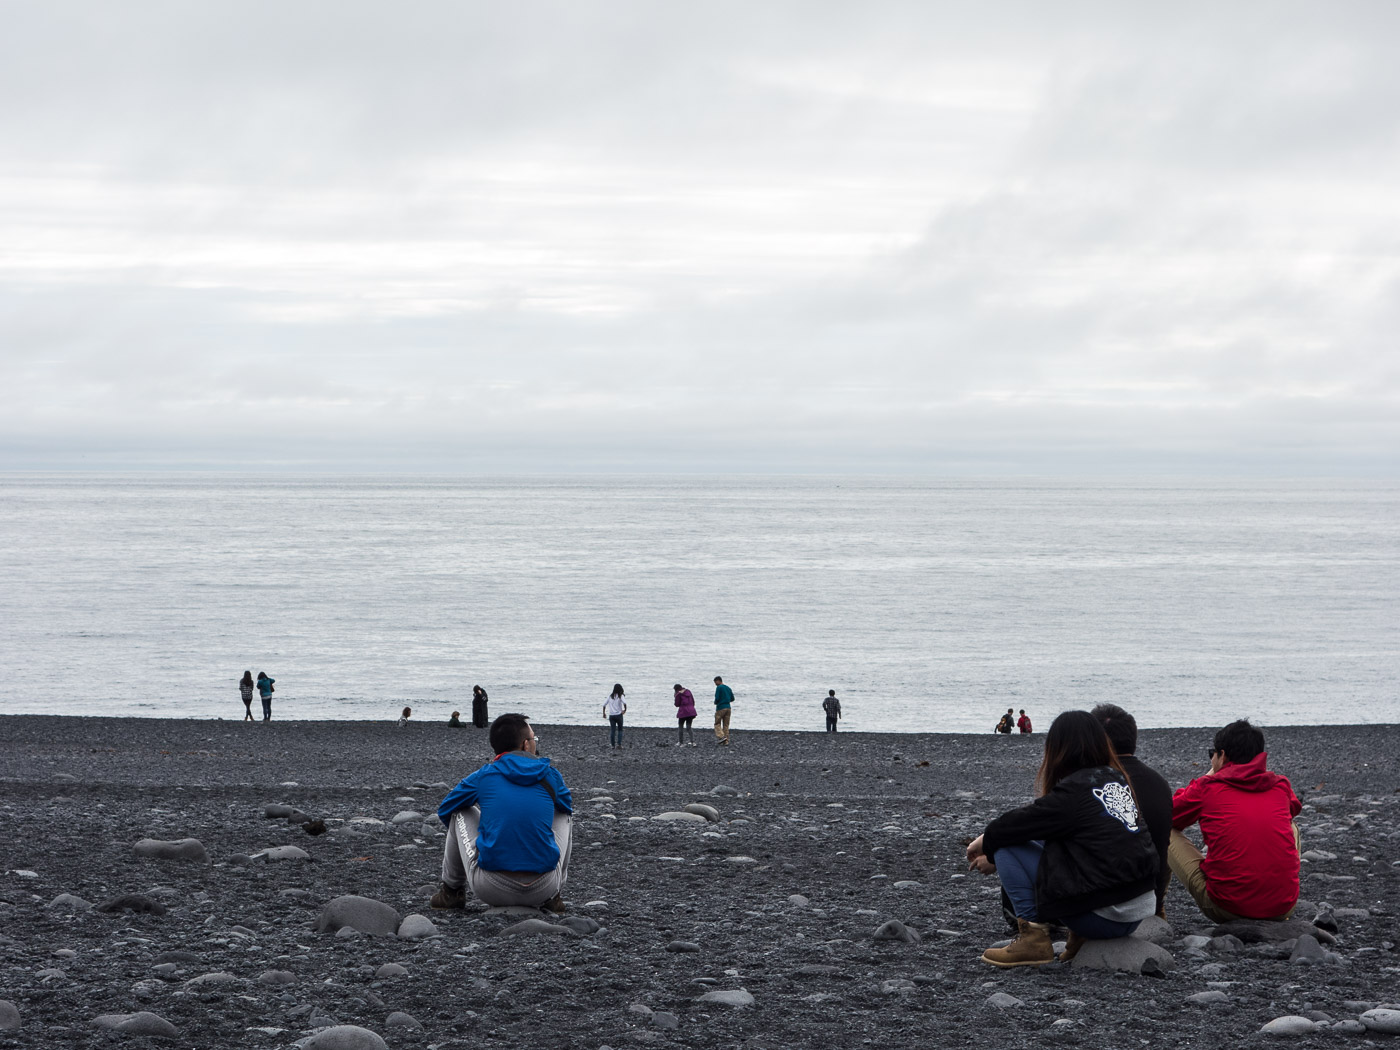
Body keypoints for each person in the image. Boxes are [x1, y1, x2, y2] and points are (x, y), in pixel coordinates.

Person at [965, 710, 1159, 967]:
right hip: (1136, 913)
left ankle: (1033, 938)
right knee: (1046, 839)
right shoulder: (1115, 779)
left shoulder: (1074, 792)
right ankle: (1078, 937)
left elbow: (1011, 827)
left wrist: (985, 842)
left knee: (1007, 845)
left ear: (1058, 749)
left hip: (1105, 918)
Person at [431, 713, 573, 913]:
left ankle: (451, 892)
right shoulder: (550, 775)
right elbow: (566, 807)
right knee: (563, 813)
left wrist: (486, 834)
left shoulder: (485, 775)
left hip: (490, 887)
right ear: (525, 745)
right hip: (544, 887)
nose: (535, 743)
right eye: (534, 739)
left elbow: (446, 808)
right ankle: (555, 897)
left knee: (460, 811)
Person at [1169, 719, 1301, 923]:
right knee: (1290, 824)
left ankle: (1156, 909)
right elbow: (1293, 808)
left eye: (1212, 753)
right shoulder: (1280, 785)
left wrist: (1209, 775)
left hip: (1227, 908)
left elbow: (1169, 814)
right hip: (1283, 908)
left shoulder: (1208, 787)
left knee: (1164, 830)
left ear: (1222, 755)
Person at [1091, 703, 1172, 917]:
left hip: (1103, 907)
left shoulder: (1092, 783)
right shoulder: (1159, 783)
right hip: (1149, 900)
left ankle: (1033, 928)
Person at [713, 676, 735, 745]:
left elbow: (717, 698)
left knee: (717, 723)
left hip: (721, 707)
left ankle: (721, 736)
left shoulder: (719, 687)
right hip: (728, 707)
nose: (715, 684)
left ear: (718, 681)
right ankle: (726, 741)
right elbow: (732, 698)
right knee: (726, 725)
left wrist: (716, 702)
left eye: (715, 682)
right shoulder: (728, 688)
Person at [604, 684, 627, 749]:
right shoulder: (620, 696)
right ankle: (619, 744)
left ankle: (613, 745)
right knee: (620, 730)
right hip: (619, 715)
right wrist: (624, 710)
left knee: (612, 730)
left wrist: (604, 713)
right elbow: (625, 703)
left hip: (611, 715)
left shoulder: (610, 696)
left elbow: (604, 704)